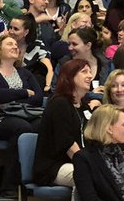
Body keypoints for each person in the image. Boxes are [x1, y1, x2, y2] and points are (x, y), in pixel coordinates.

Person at [0, 35, 45, 193]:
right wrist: (23, 92)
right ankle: (11, 184)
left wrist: (12, 99)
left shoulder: (25, 73)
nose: (15, 47)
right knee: (22, 128)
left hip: (24, 114)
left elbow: (38, 98)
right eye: (10, 44)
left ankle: (36, 179)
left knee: (41, 125)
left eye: (16, 44)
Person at [34, 60, 93, 193]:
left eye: (90, 71)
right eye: (84, 72)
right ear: (70, 76)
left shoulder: (84, 106)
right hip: (54, 166)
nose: (90, 76)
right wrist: (87, 165)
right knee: (88, 175)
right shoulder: (59, 103)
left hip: (77, 161)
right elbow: (66, 142)